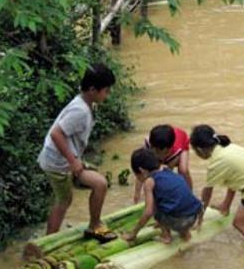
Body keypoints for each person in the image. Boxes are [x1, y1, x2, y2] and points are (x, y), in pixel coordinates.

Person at [37, 63, 117, 242]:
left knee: (96, 186)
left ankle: (93, 224)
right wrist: (73, 161)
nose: (108, 95)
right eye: (106, 91)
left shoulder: (85, 102)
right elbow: (56, 134)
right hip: (58, 163)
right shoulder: (80, 110)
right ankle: (48, 242)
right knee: (67, 199)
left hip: (62, 158)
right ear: (92, 90)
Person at [190, 125, 244, 244]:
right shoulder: (228, 146)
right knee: (231, 177)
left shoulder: (216, 163)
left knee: (238, 223)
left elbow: (206, 195)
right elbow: (232, 179)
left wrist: (200, 220)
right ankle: (225, 207)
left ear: (199, 150)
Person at [124, 148, 202, 244]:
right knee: (170, 199)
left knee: (155, 206)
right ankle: (185, 234)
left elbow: (149, 212)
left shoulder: (149, 181)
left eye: (137, 175)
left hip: (179, 222)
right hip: (193, 217)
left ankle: (166, 237)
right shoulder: (167, 170)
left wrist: (133, 233)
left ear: (142, 170)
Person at [133, 124, 192, 204]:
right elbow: (140, 172)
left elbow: (166, 175)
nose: (159, 157)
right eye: (156, 152)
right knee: (145, 168)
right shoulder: (148, 145)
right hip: (166, 139)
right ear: (152, 147)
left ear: (169, 150)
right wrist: (137, 196)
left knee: (183, 170)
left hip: (181, 143)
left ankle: (190, 195)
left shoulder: (175, 151)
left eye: (162, 153)